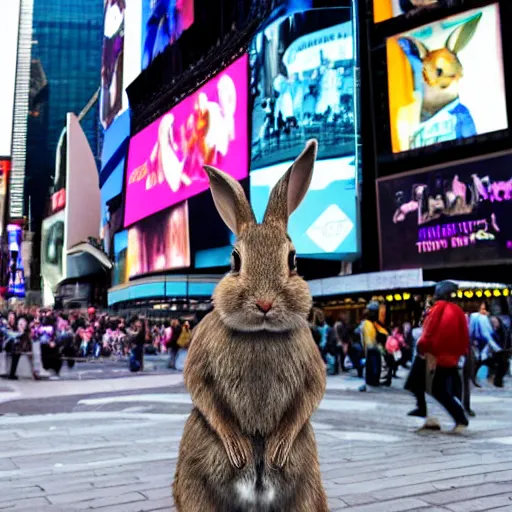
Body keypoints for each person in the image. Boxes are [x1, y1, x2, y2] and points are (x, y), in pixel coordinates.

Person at [407, 281, 469, 433]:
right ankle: (430, 416)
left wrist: (422, 347)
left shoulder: (438, 308)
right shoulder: (458, 311)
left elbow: (429, 330)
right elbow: (464, 336)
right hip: (449, 357)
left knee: (426, 386)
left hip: (432, 356)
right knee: (429, 387)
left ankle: (455, 418)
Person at [360, 302, 388, 392]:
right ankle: (371, 382)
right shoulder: (367, 324)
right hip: (371, 349)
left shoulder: (372, 323)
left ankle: (372, 381)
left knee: (374, 366)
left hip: (373, 348)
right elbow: (368, 340)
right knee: (372, 366)